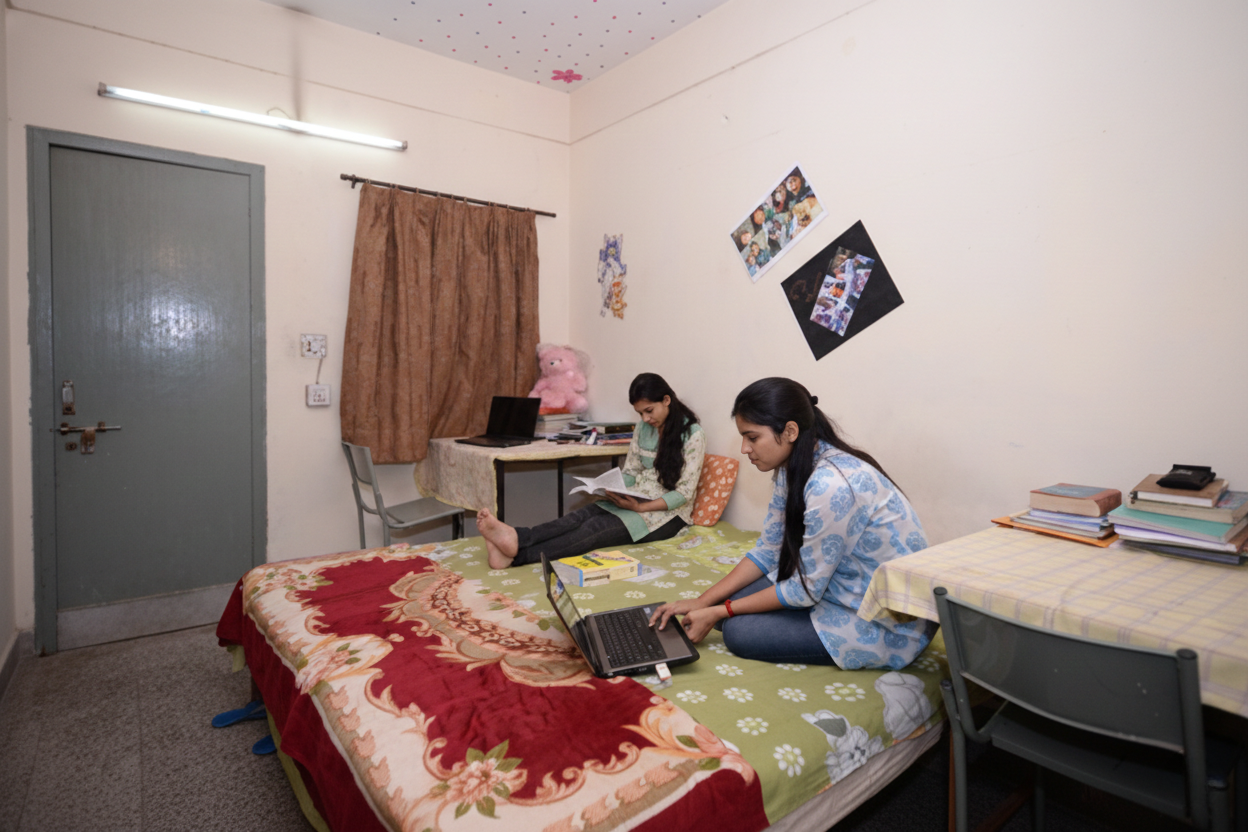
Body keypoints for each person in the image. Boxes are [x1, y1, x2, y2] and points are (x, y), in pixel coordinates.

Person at [649, 377, 935, 670]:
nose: (745, 449)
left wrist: (720, 612)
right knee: (723, 607)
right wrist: (703, 601)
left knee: (735, 630)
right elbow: (768, 550)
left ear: (790, 431)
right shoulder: (795, 467)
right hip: (833, 587)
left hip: (884, 621)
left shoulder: (831, 485)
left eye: (752, 437)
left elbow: (805, 590)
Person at [478, 373, 706, 569]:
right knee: (582, 515)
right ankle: (518, 537)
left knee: (594, 530)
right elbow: (632, 471)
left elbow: (684, 494)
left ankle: (516, 557)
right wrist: (611, 486)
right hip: (637, 497)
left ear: (666, 400)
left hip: (668, 515)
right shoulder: (643, 427)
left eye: (649, 411)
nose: (645, 418)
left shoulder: (693, 434)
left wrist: (641, 507)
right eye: (640, 414)